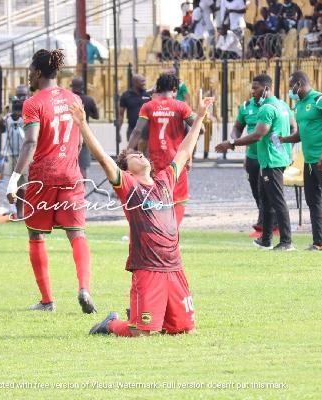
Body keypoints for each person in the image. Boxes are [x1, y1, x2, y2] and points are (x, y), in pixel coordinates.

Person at [68, 96, 214, 336]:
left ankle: (147, 313)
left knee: (186, 330)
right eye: (134, 156)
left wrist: (198, 116)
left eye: (140, 154)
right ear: (126, 170)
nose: (140, 155)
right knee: (141, 333)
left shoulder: (165, 180)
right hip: (147, 268)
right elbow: (104, 160)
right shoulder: (128, 186)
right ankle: (111, 324)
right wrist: (83, 125)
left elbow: (185, 150)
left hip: (174, 267)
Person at [5, 49, 96, 314]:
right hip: (71, 173)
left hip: (43, 176)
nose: (29, 75)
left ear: (37, 72)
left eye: (30, 71)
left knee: (36, 235)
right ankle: (84, 288)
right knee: (76, 233)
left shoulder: (33, 103)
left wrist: (13, 180)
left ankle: (47, 301)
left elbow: (31, 141)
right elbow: (79, 139)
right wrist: (68, 161)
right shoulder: (74, 99)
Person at [215, 74, 294, 251]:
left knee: (277, 200)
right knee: (265, 200)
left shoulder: (267, 108)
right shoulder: (281, 105)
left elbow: (258, 134)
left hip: (271, 160)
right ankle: (265, 239)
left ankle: (286, 241)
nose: (252, 92)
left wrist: (231, 143)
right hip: (272, 158)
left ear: (266, 88)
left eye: (256, 88)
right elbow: (284, 130)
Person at [280, 71, 322, 252]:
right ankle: (318, 243)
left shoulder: (321, 100)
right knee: (313, 201)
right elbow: (301, 134)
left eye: (291, 86)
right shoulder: (299, 105)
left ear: (299, 84)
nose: (290, 91)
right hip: (309, 161)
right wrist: (283, 139)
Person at [127, 73, 200, 226]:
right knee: (178, 198)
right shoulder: (181, 106)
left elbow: (137, 131)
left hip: (155, 160)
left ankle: (157, 229)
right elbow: (198, 129)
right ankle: (173, 233)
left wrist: (127, 152)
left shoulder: (148, 106)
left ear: (158, 88)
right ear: (175, 89)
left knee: (156, 196)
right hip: (177, 160)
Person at [0, 85, 29, 219]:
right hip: (10, 153)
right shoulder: (9, 114)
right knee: (11, 183)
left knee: (24, 184)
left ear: (28, 96)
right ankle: (15, 210)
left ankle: (22, 211)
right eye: (19, 95)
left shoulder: (30, 112)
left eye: (24, 96)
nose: (21, 99)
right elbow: (1, 129)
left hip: (25, 154)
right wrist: (3, 114)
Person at [71, 76, 99, 179]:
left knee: (69, 164)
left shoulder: (68, 100)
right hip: (84, 133)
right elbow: (96, 116)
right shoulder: (89, 100)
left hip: (69, 134)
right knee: (82, 166)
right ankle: (82, 191)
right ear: (83, 86)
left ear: (72, 86)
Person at [118, 74, 152, 142]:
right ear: (135, 82)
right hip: (132, 130)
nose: (144, 83)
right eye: (142, 81)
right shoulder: (126, 95)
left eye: (144, 81)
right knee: (132, 151)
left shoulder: (148, 94)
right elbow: (120, 115)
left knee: (146, 152)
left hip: (147, 131)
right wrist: (118, 132)